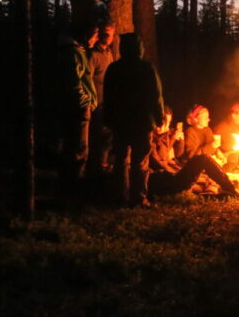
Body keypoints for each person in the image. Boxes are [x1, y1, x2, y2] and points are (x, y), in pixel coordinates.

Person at [103, 32, 164, 207]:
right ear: (139, 48)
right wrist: (159, 118)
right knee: (140, 161)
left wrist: (108, 119)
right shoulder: (146, 68)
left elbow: (108, 96)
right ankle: (139, 198)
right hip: (141, 122)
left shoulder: (114, 68)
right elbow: (156, 95)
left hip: (120, 121)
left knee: (121, 160)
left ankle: (120, 197)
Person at [148, 107, 239, 198]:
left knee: (204, 180)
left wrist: (180, 140)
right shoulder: (148, 140)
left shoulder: (165, 135)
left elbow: (178, 154)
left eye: (169, 122)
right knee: (203, 159)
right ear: (154, 122)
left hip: (174, 173)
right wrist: (171, 140)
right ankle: (230, 189)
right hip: (167, 181)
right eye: (164, 123)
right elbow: (160, 160)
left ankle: (213, 193)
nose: (167, 126)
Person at [57, 23, 99, 199]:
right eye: (95, 35)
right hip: (78, 109)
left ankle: (68, 187)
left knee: (72, 148)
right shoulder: (74, 53)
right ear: (86, 35)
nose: (96, 39)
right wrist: (85, 103)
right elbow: (74, 83)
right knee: (80, 150)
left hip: (74, 107)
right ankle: (74, 192)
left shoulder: (73, 51)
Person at [88, 22, 118, 173]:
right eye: (104, 33)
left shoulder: (108, 53)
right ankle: (97, 166)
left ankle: (104, 164)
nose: (107, 37)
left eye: (110, 34)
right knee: (98, 135)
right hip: (96, 102)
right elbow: (88, 79)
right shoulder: (93, 54)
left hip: (107, 101)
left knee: (108, 134)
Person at [214, 102, 239, 169]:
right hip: (227, 164)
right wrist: (219, 152)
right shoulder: (221, 128)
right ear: (233, 115)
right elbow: (214, 147)